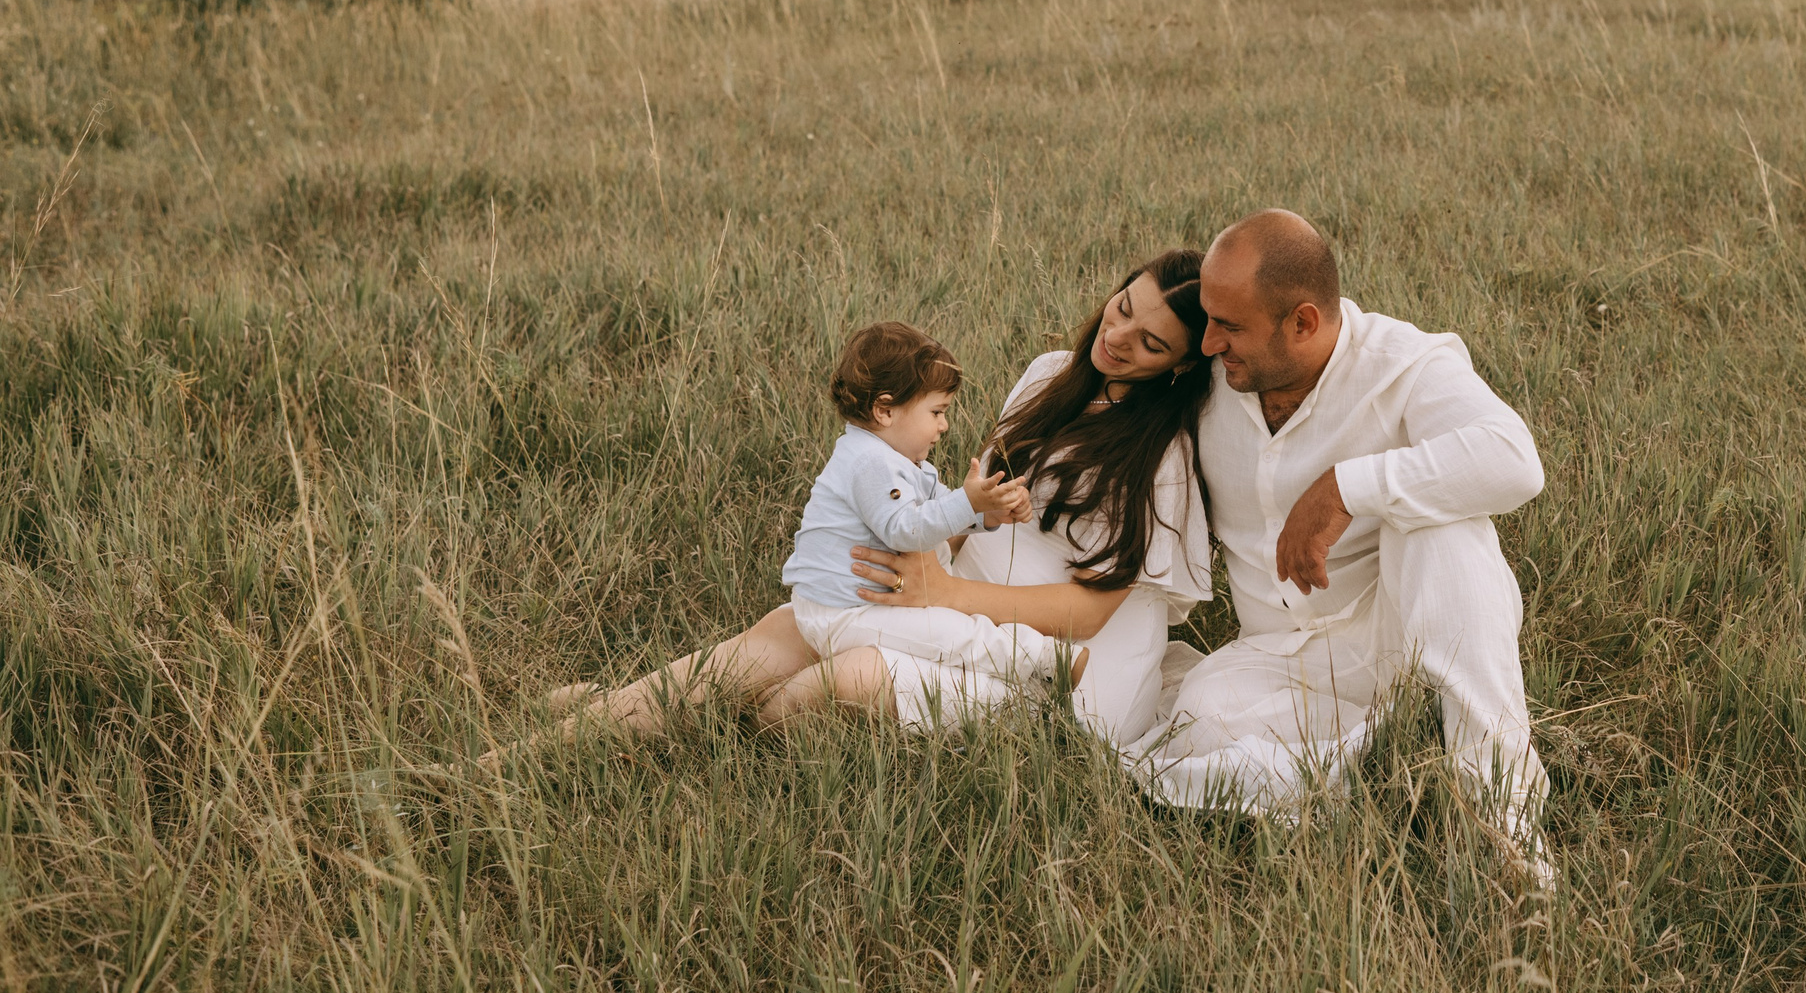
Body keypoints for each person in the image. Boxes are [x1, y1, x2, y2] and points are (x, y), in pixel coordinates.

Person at [517, 249, 1213, 751]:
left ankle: (690, 723)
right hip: (960, 598)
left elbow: (1090, 610)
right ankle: (593, 727)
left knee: (831, 683)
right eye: (1122, 308)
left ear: (1182, 363)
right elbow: (981, 499)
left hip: (1060, 667)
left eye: (1149, 341)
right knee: (792, 624)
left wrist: (942, 593)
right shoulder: (1052, 374)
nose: (1115, 339)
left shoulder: (1163, 457)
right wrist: (918, 560)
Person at [1129, 210, 1550, 867]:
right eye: (1208, 319)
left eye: (1230, 326)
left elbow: (1513, 460)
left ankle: (1501, 820)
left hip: (1398, 636)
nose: (1208, 342)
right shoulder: (1207, 379)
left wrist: (1349, 487)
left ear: (1302, 321)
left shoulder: (1402, 363)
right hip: (1275, 658)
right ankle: (1391, 768)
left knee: (1441, 524)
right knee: (1194, 719)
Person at [779, 320, 1069, 691]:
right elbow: (908, 529)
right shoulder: (871, 463)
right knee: (949, 633)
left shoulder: (895, 460)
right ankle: (1044, 661)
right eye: (936, 412)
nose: (944, 425)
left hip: (856, 604)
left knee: (944, 630)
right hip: (841, 613)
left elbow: (935, 514)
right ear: (885, 411)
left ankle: (1033, 663)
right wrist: (967, 502)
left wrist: (985, 513)